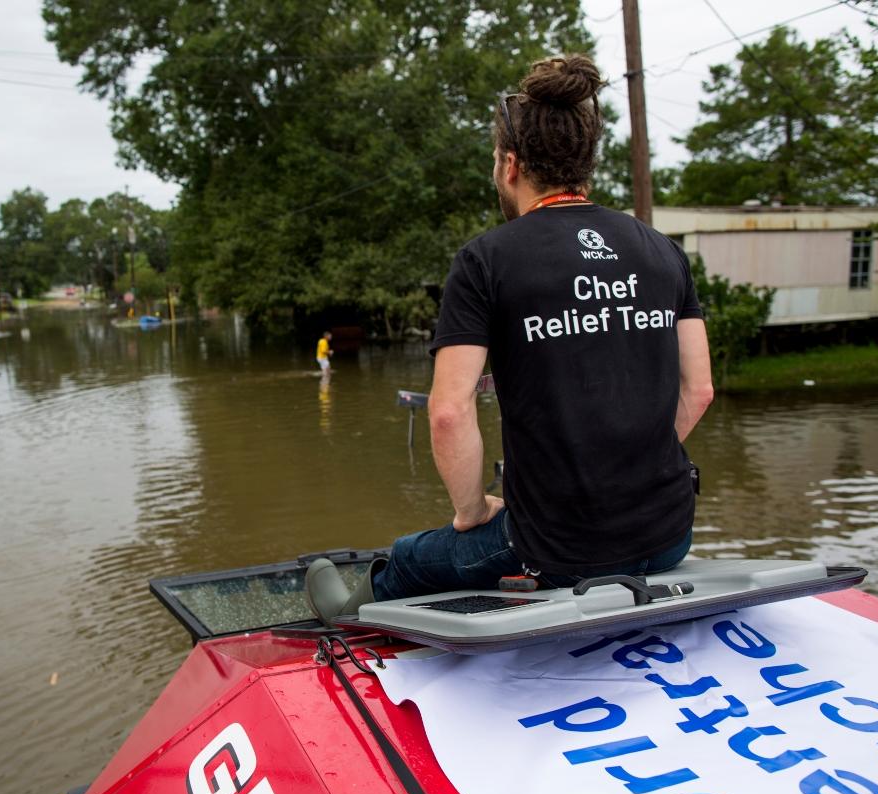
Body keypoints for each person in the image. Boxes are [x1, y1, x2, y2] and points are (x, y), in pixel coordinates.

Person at [306, 54, 714, 625]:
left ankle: (344, 620)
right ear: (586, 164)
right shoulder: (662, 250)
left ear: (510, 165)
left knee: (412, 555)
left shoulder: (487, 260)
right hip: (671, 534)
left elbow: (449, 412)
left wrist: (472, 511)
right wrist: (631, 467)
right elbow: (699, 391)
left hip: (556, 550)